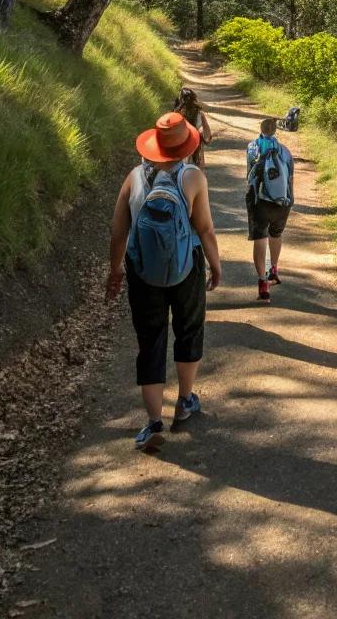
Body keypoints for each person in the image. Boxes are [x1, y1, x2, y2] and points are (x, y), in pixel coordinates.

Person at [106, 111, 222, 450]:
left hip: (143, 272)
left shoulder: (133, 178)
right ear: (185, 146)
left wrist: (115, 271)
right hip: (187, 268)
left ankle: (153, 422)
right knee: (188, 329)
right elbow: (205, 229)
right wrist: (215, 267)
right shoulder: (193, 177)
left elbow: (118, 232)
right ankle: (185, 401)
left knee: (150, 340)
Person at [246, 115, 294, 305]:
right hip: (282, 201)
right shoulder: (285, 151)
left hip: (260, 201)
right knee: (276, 234)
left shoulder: (252, 147)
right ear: (276, 131)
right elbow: (290, 178)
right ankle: (273, 269)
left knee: (260, 239)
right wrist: (289, 200)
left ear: (261, 129)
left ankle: (263, 284)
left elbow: (249, 174)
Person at [175, 84, 213, 168]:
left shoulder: (176, 114)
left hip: (180, 148)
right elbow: (207, 135)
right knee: (199, 170)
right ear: (193, 99)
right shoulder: (200, 114)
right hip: (196, 148)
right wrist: (204, 138)